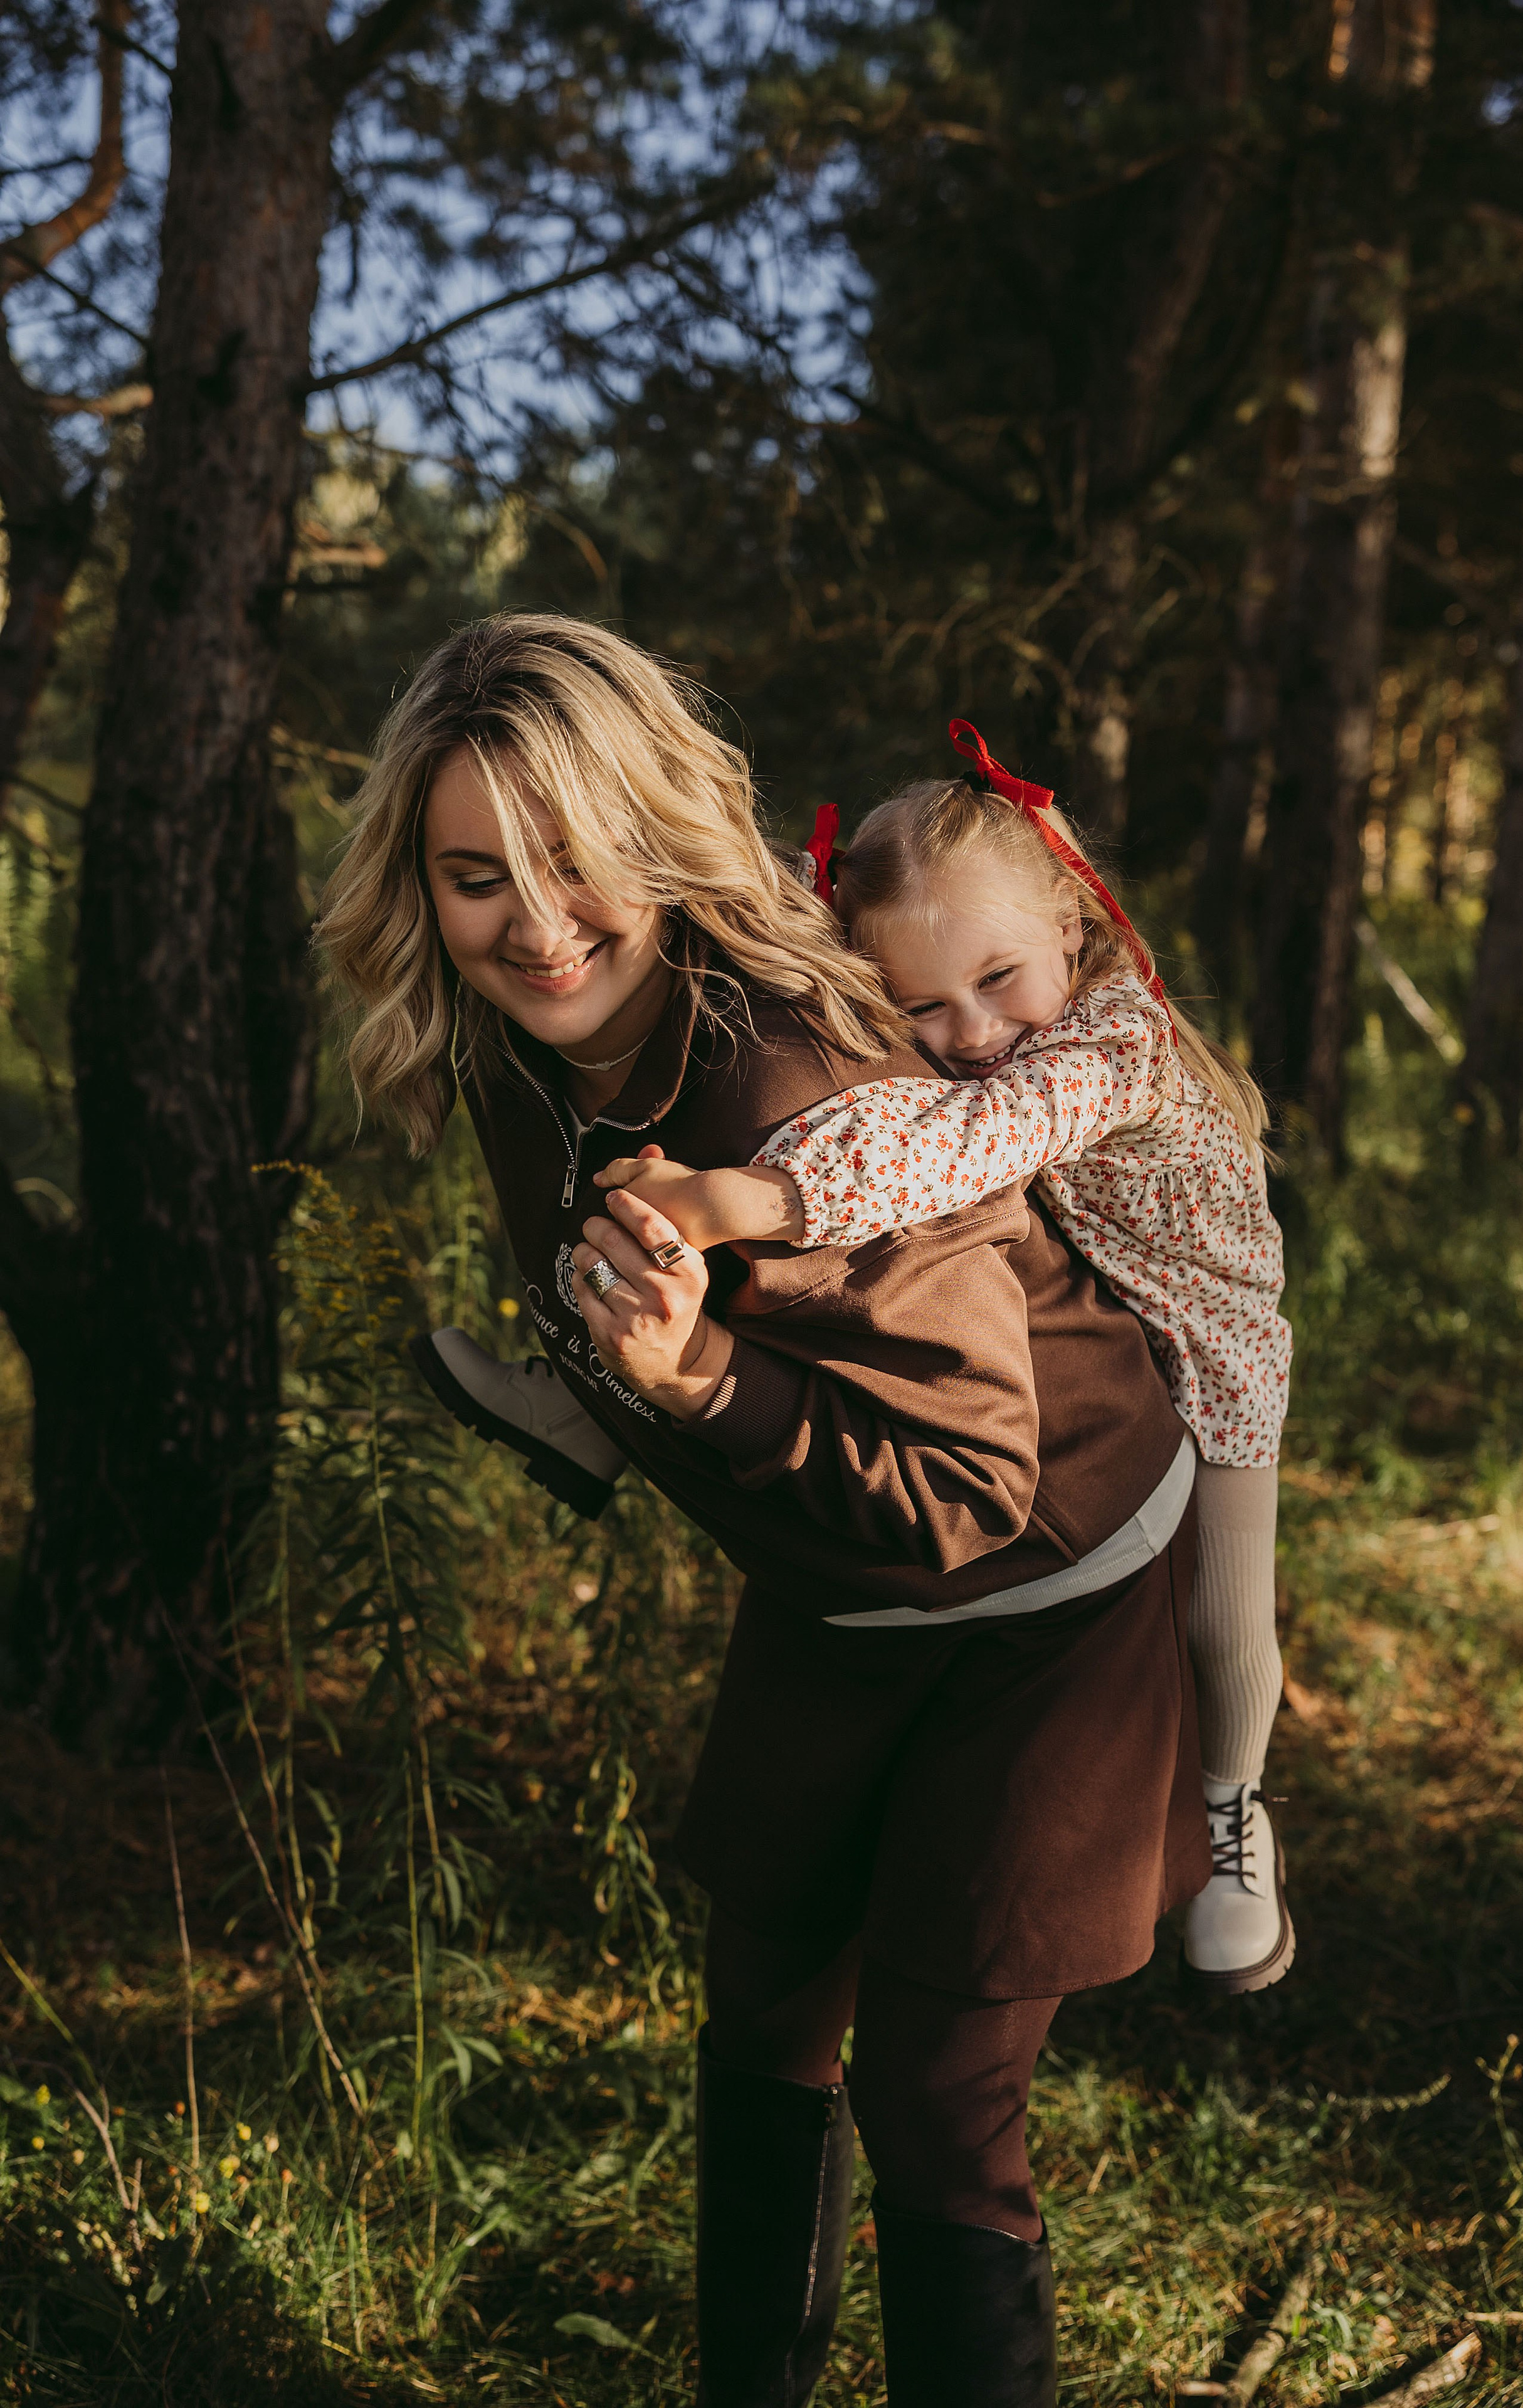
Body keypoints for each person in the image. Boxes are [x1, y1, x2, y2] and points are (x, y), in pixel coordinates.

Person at [320, 613, 1211, 2408]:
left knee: (935, 2090)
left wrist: (702, 1390)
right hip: (837, 1582)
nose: (538, 924)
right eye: (479, 876)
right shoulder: (513, 1045)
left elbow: (974, 1486)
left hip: (1051, 1588)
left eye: (573, 858)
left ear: (653, 832)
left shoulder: (802, 1083)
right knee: (765, 2011)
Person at [600, 725, 1295, 1995]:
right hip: (1094, 1312)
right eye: (917, 1004)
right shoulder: (977, 1040)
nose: (969, 1029)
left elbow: (972, 1138)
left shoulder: (1106, 1047)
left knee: (1220, 1606)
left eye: (996, 979)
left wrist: (740, 1202)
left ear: (1071, 938)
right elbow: (900, 1112)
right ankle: (583, 1395)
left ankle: (1232, 1812)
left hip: (1209, 1337)